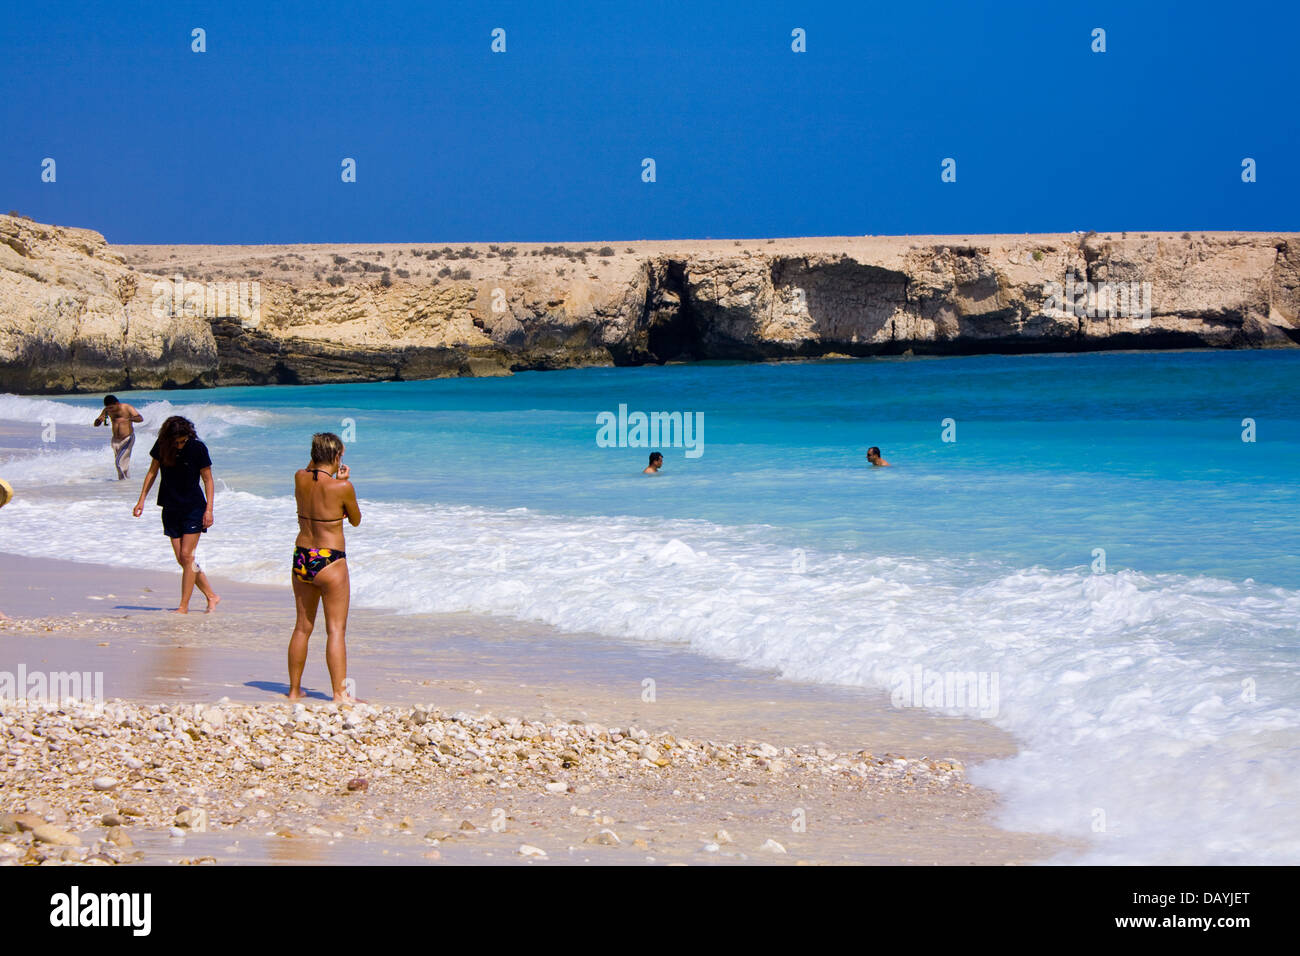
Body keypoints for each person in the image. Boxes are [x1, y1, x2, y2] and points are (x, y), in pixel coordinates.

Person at [288, 433, 361, 703]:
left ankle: (294, 691)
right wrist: (341, 481)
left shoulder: (299, 477)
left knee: (302, 628)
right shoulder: (343, 487)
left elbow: (311, 469)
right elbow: (355, 520)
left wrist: (325, 461)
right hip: (330, 559)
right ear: (337, 456)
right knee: (336, 630)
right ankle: (340, 693)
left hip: (303, 556)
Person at [131, 416, 220, 613]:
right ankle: (212, 596)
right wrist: (141, 500)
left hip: (194, 507)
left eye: (182, 441)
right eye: (176, 442)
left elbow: (208, 480)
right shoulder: (162, 446)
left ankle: (183, 606)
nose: (179, 445)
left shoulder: (197, 448)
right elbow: (152, 473)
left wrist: (209, 509)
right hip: (170, 507)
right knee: (182, 559)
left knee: (187, 556)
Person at [93, 395, 144, 480]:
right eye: (108, 408)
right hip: (115, 441)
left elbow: (140, 418)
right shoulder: (107, 410)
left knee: (119, 462)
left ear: (117, 403)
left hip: (127, 439)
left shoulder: (127, 408)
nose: (110, 410)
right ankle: (125, 484)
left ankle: (122, 482)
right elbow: (99, 422)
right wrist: (99, 421)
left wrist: (130, 419)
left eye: (112, 407)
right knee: (122, 464)